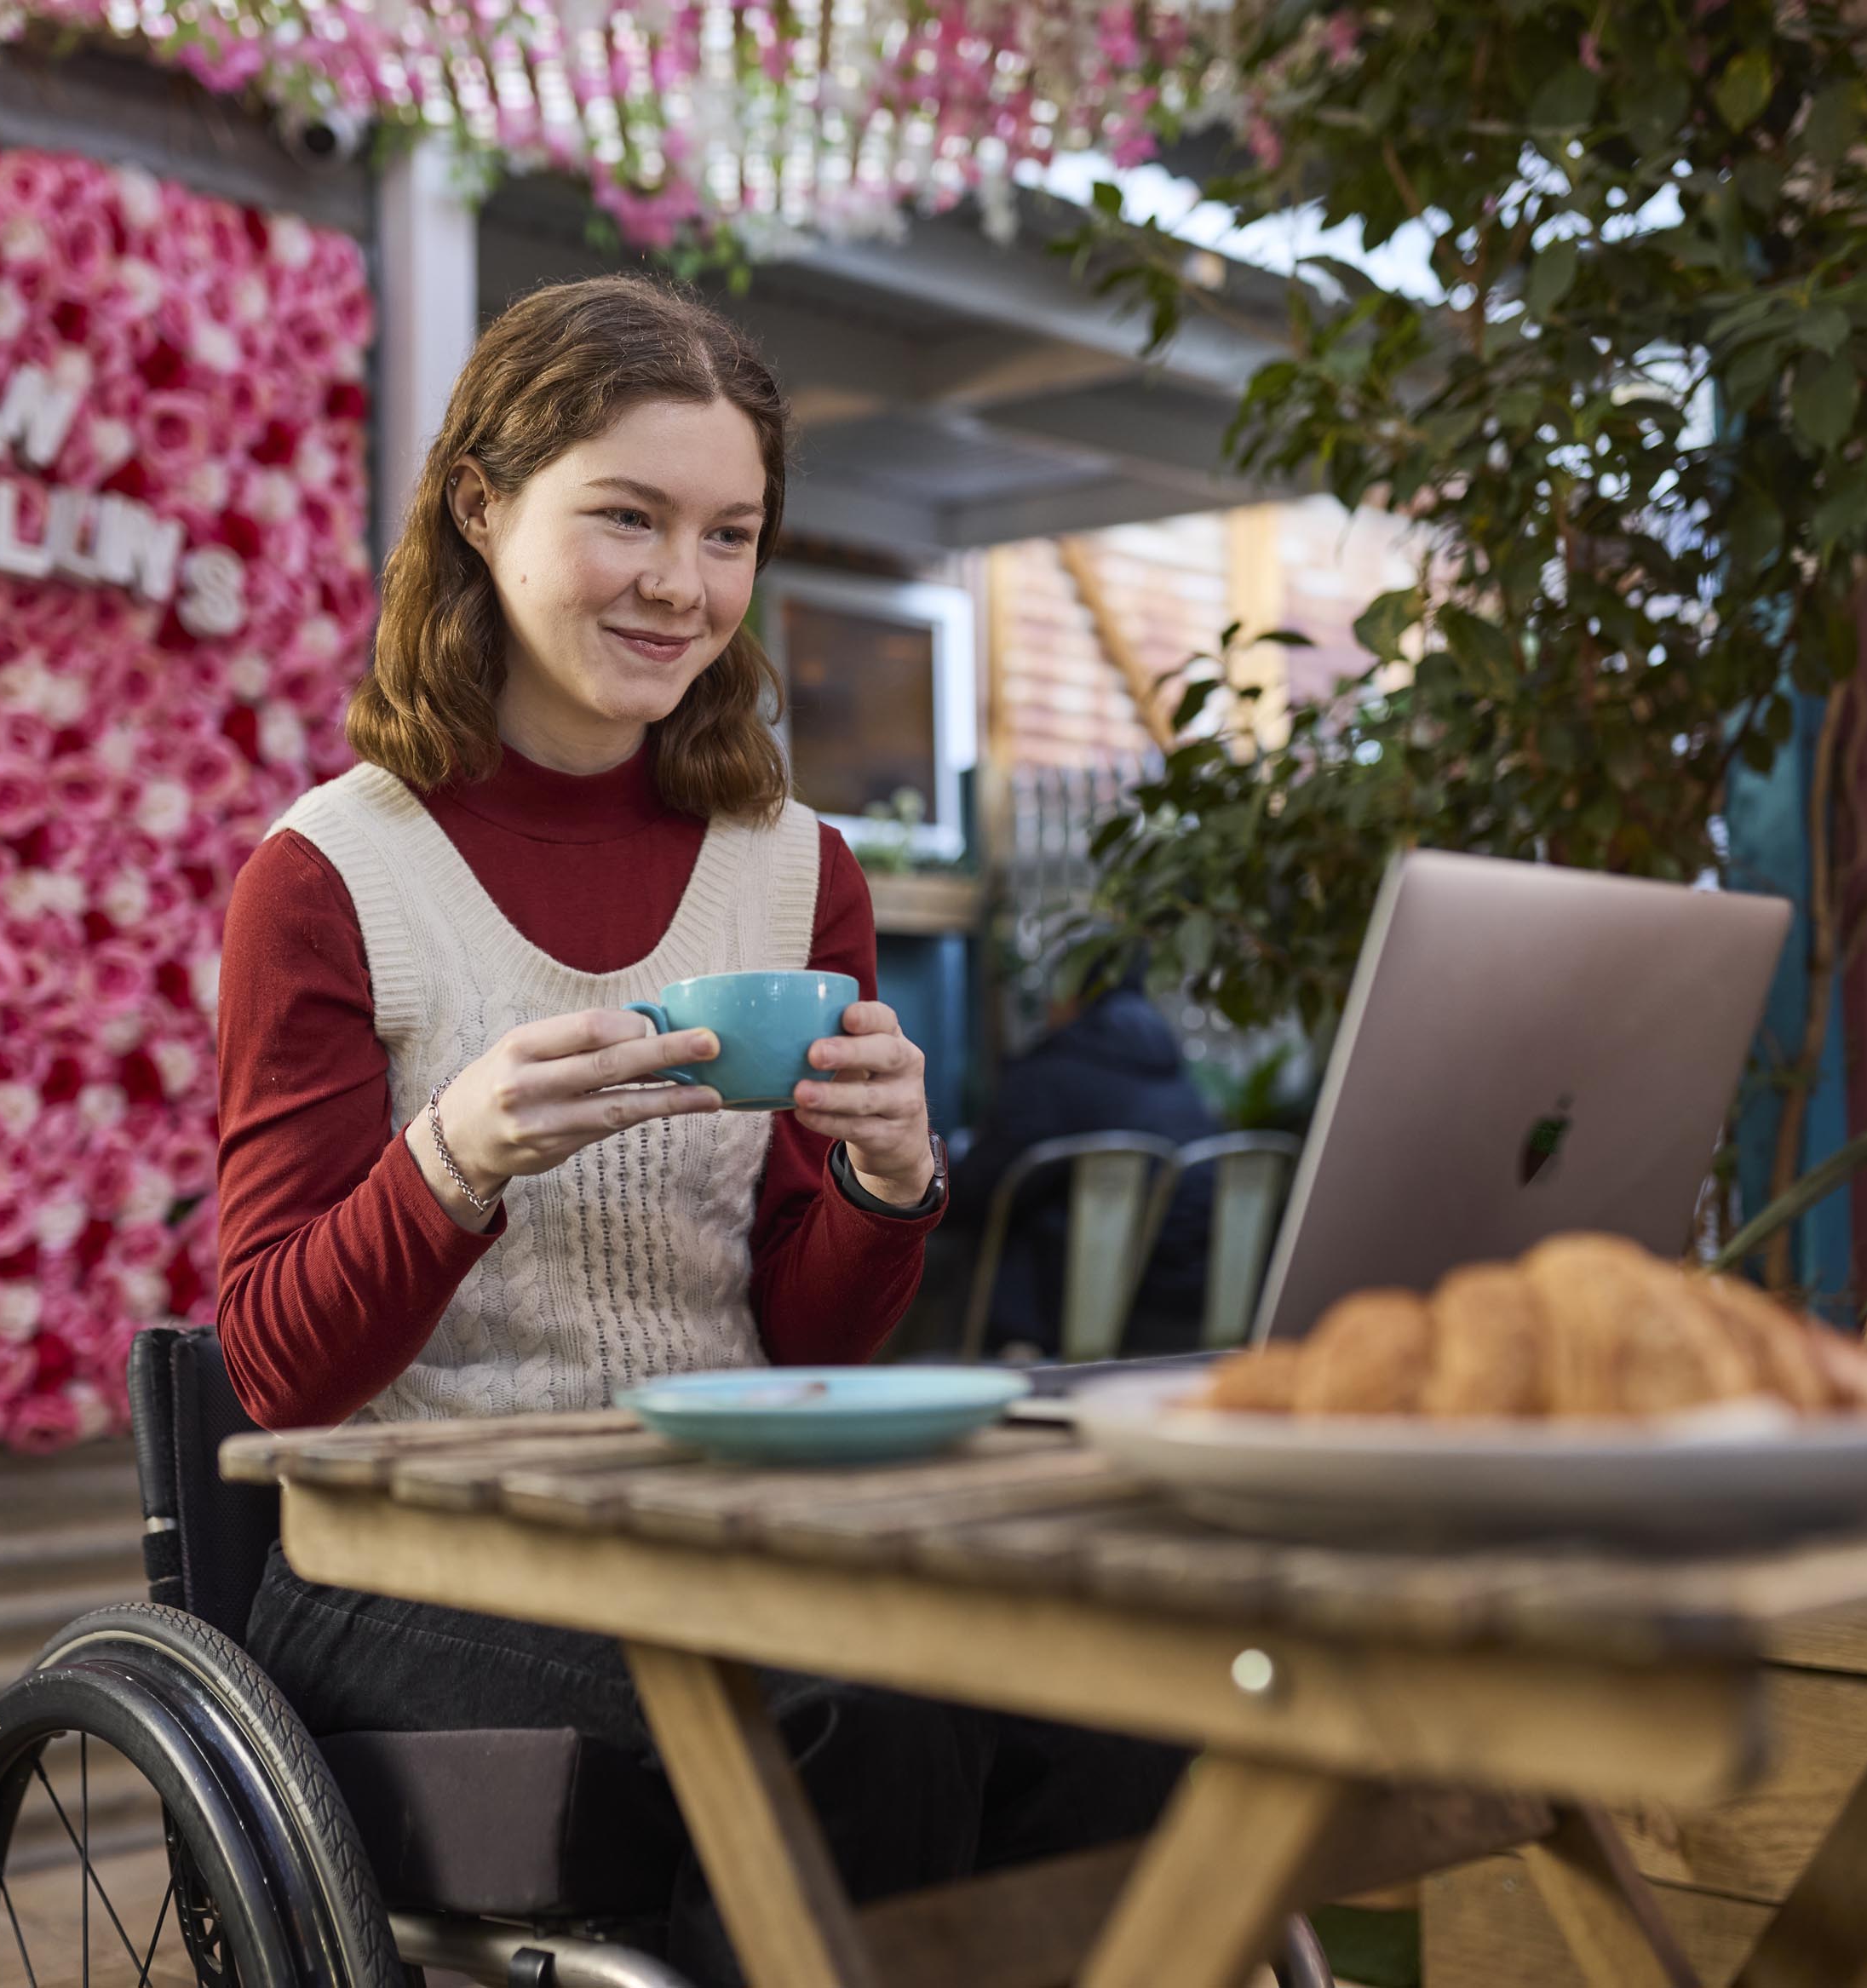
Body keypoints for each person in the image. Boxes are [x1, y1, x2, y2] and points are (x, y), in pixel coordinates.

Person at [211, 274, 1182, 1983]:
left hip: (709, 1521)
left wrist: (891, 1180)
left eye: (728, 534)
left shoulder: (793, 872)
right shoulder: (329, 875)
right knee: (857, 1718)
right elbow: (284, 1371)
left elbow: (798, 1326)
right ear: (481, 504)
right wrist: (454, 1158)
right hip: (402, 1554)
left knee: (1133, 1702)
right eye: (629, 519)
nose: (684, 584)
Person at [949, 978, 1227, 1358]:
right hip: (1201, 1289)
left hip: (1106, 1309)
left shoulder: (1051, 1074)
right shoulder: (1173, 1073)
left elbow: (974, 1188)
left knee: (999, 1222)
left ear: (1070, 994)